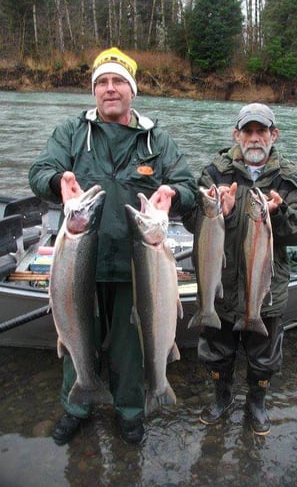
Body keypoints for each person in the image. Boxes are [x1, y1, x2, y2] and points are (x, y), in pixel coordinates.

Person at [28, 47, 197, 445]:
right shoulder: (72, 131)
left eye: (118, 81)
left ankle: (130, 412)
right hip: (77, 265)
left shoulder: (157, 139)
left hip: (133, 268)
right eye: (101, 82)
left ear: (132, 91)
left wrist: (173, 192)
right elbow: (39, 172)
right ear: (94, 91)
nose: (109, 89)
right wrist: (58, 183)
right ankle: (77, 405)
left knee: (130, 347)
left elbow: (188, 186)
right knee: (75, 340)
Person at [188, 103, 297, 435]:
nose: (255, 138)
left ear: (275, 135)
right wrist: (217, 212)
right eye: (248, 131)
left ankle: (256, 403)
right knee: (217, 352)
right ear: (237, 135)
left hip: (266, 287)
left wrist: (279, 213)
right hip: (222, 284)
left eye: (262, 131)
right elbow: (191, 219)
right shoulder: (214, 173)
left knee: (264, 356)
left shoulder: (290, 178)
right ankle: (222, 397)